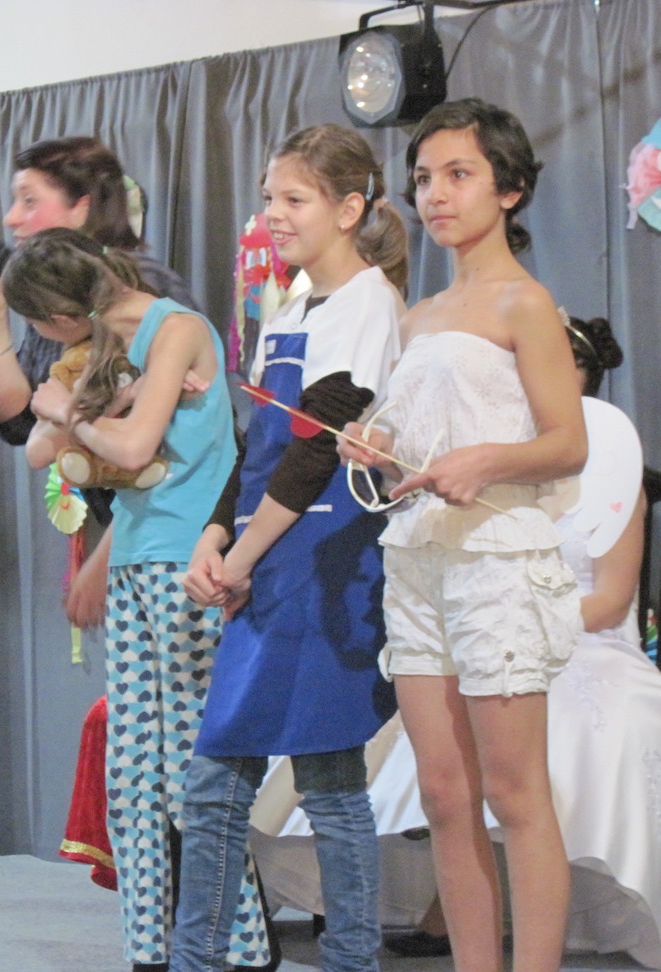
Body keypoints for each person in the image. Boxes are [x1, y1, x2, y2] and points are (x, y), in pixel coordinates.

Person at [253, 314, 661, 970]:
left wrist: (522, 614)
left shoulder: (606, 454)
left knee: (528, 771)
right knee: (441, 785)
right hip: (453, 597)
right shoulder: (451, 400)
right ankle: (397, 904)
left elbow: (611, 600)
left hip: (559, 625)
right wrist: (382, 451)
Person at [337, 99, 587, 972]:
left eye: (458, 174)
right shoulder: (418, 316)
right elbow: (411, 449)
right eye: (423, 178)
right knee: (445, 796)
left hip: (498, 563)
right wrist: (374, 445)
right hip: (418, 563)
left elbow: (569, 443)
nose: (435, 195)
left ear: (508, 189)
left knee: (516, 796)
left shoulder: (526, 302)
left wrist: (486, 461)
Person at [166, 125, 406, 972]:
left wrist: (239, 559)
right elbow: (259, 443)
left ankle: (348, 959)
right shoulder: (293, 303)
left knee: (327, 782)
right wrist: (215, 532)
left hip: (326, 562)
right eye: (269, 197)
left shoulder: (370, 302)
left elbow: (315, 451)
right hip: (271, 558)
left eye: (294, 199)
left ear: (349, 209)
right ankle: (197, 958)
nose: (273, 214)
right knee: (219, 784)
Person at [3, 228, 268, 972]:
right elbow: (39, 449)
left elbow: (132, 448)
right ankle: (149, 949)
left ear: (57, 316)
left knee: (191, 775)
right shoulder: (108, 348)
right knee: (129, 778)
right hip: (133, 563)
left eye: (37, 324)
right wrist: (77, 408)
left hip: (190, 563)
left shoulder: (175, 329)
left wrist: (71, 410)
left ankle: (241, 944)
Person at [0, 135, 199, 627]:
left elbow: (173, 448)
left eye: (30, 201)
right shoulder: (60, 293)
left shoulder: (139, 292)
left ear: (82, 207)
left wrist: (105, 559)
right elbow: (25, 425)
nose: (11, 218)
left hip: (174, 536)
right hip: (127, 530)